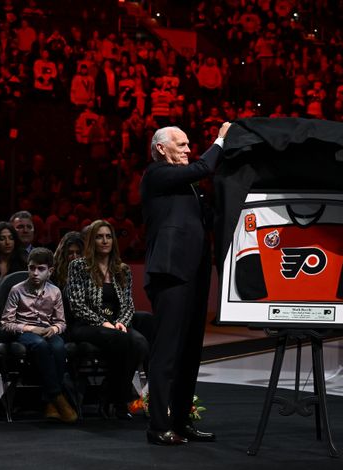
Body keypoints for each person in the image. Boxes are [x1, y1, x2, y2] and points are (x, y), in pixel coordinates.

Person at [141, 122, 231, 445]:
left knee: (190, 353)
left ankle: (180, 421)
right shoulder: (156, 174)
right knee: (166, 351)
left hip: (194, 275)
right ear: (161, 148)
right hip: (171, 273)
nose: (188, 149)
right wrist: (220, 141)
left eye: (189, 144)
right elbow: (205, 165)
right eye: (181, 144)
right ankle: (158, 425)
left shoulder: (190, 187)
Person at [66, 220, 149, 420]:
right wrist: (103, 322)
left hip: (115, 323)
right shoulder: (78, 266)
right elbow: (76, 304)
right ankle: (118, 401)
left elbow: (129, 304)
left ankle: (111, 396)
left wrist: (121, 321)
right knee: (123, 340)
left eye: (108, 236)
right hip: (86, 324)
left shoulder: (122, 269)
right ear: (91, 241)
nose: (104, 241)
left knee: (140, 343)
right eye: (99, 237)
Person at [0, 247, 76, 423]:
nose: (35, 273)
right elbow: (6, 323)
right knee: (40, 345)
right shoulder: (17, 290)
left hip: (47, 330)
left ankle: (49, 403)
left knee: (58, 347)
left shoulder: (55, 291)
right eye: (31, 268)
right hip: (25, 331)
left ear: (50, 271)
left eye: (40, 269)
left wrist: (54, 329)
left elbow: (61, 322)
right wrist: (30, 329)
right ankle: (57, 396)